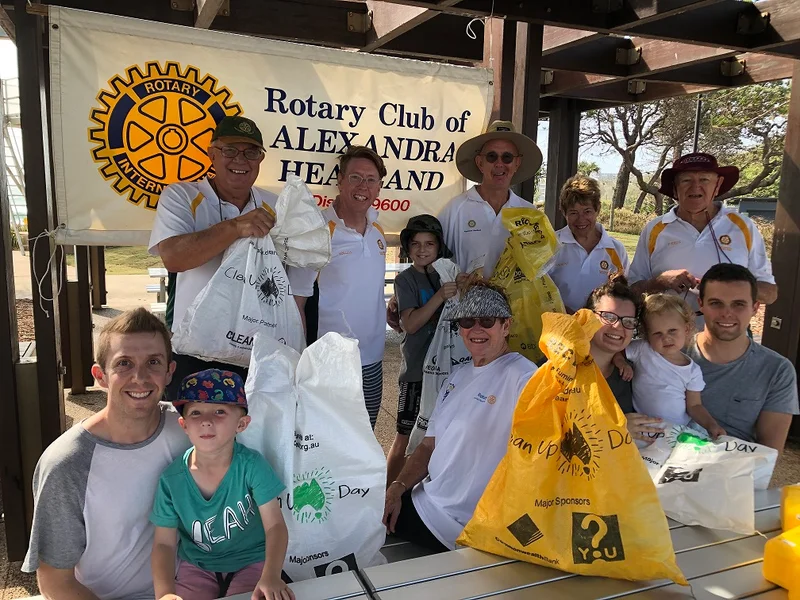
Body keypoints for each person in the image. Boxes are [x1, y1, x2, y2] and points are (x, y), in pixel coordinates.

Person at [22, 308, 189, 600]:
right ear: (100, 376)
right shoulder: (66, 463)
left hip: (189, 589)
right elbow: (54, 581)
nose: (140, 377)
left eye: (153, 362)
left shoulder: (189, 431)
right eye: (124, 363)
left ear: (169, 372)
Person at [149, 116, 315, 399]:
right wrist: (235, 227)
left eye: (251, 152)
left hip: (260, 352)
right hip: (195, 349)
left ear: (261, 159)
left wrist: (297, 348)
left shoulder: (276, 206)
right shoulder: (181, 195)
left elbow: (295, 282)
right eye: (230, 150)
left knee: (256, 438)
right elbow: (173, 257)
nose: (241, 160)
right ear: (212, 154)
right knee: (195, 438)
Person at [382, 281, 537, 551]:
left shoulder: (523, 376)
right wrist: (398, 485)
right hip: (424, 501)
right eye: (467, 321)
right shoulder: (457, 376)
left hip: (457, 525)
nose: (476, 329)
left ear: (506, 325)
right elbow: (428, 446)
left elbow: (558, 423)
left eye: (487, 320)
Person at [151, 370, 292, 600]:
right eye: (196, 412)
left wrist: (272, 575)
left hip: (252, 562)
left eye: (219, 411)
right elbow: (164, 544)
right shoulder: (171, 479)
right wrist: (165, 593)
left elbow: (275, 526)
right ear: (184, 425)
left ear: (242, 424)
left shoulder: (252, 466)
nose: (206, 420)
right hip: (196, 566)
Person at [629, 152, 776, 328]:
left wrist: (724, 288)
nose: (695, 187)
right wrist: (659, 282)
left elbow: (769, 293)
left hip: (725, 340)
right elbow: (632, 291)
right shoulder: (655, 229)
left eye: (704, 179)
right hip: (666, 342)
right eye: (686, 180)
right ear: (675, 188)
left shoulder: (741, 226)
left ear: (718, 185)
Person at [686, 263, 799, 452]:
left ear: (755, 308)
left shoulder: (777, 370)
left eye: (739, 304)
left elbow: (768, 454)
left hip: (734, 473)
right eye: (716, 303)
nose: (727, 313)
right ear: (701, 304)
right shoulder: (671, 352)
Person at [315, 145, 388, 428]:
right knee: (326, 438)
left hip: (372, 356)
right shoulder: (319, 228)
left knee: (365, 436)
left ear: (379, 187)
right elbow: (297, 296)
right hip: (329, 359)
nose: (363, 187)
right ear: (340, 181)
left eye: (371, 180)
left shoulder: (378, 230)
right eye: (355, 177)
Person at [386, 215, 457, 484]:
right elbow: (411, 324)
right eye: (415, 244)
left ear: (440, 246)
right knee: (405, 436)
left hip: (447, 372)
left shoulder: (449, 273)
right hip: (416, 372)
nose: (423, 249)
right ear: (407, 247)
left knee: (437, 436)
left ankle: (416, 492)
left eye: (429, 243)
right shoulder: (406, 279)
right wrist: (440, 296)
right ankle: (387, 496)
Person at [438, 120, 543, 278]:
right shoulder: (454, 210)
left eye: (507, 157)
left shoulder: (530, 213)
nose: (499, 164)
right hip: (467, 302)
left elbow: (542, 266)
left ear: (517, 163)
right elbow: (435, 262)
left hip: (517, 303)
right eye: (492, 157)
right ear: (480, 163)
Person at [614, 294, 725, 438]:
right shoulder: (643, 349)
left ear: (686, 329)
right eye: (657, 333)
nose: (666, 338)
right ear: (647, 335)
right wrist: (621, 362)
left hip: (678, 430)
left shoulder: (692, 371)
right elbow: (617, 351)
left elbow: (694, 406)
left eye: (672, 331)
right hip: (645, 428)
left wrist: (711, 425)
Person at [585, 275, 664, 443]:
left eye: (628, 321)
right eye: (609, 317)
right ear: (587, 318)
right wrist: (614, 428)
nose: (618, 327)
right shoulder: (557, 369)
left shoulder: (632, 372)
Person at [549, 174, 629, 313]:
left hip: (601, 329)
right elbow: (540, 292)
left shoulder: (616, 249)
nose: (581, 220)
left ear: (598, 208)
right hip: (559, 328)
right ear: (563, 212)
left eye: (587, 211)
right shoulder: (551, 245)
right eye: (573, 213)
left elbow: (626, 295)